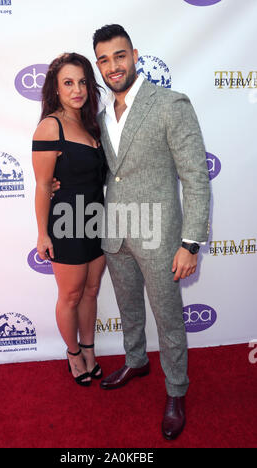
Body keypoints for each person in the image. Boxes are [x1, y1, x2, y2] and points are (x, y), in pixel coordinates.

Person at [92, 24, 210, 440]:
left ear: (135, 55)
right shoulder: (101, 112)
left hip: (161, 236)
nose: (112, 66)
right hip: (116, 232)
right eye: (103, 59)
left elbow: (195, 176)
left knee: (169, 317)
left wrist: (190, 242)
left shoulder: (169, 104)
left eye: (119, 56)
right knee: (129, 308)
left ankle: (176, 389)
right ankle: (136, 359)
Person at [32, 53, 107, 387]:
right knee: (71, 295)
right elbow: (44, 184)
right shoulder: (51, 125)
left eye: (82, 82)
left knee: (91, 291)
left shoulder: (93, 124)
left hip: (98, 219)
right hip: (66, 223)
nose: (77, 89)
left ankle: (90, 349)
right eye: (68, 83)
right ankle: (73, 352)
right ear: (56, 89)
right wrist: (42, 234)